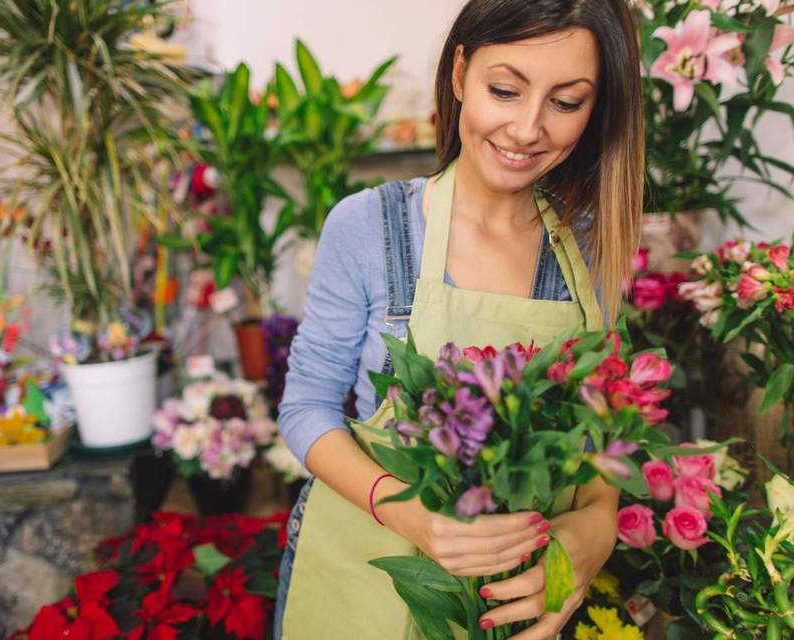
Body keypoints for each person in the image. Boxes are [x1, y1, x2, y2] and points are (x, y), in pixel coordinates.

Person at [275, 1, 643, 638]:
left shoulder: (592, 246)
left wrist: (598, 523)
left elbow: (599, 429)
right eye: (505, 90)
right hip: (364, 574)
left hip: (517, 598)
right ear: (460, 73)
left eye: (566, 101)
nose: (527, 129)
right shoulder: (373, 226)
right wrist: (416, 519)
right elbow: (305, 407)